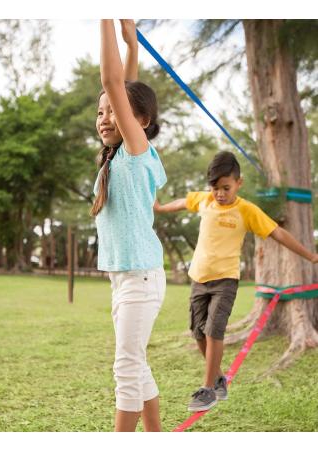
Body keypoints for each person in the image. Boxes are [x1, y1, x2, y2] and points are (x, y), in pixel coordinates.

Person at [154, 150, 318, 412]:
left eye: (226, 188)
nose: (220, 193)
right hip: (198, 278)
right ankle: (219, 379)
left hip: (226, 281)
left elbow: (278, 233)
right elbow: (184, 201)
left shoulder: (246, 210)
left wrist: (310, 255)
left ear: (238, 184)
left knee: (213, 330)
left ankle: (208, 390)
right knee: (198, 334)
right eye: (215, 188)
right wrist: (161, 208)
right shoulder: (205, 200)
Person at [91, 20, 167, 432]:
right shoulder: (117, 156)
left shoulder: (138, 153)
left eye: (113, 111)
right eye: (100, 111)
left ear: (141, 121)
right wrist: (131, 44)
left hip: (139, 277)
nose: (104, 118)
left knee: (125, 368)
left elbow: (115, 82)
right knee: (136, 364)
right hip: (125, 279)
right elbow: (123, 86)